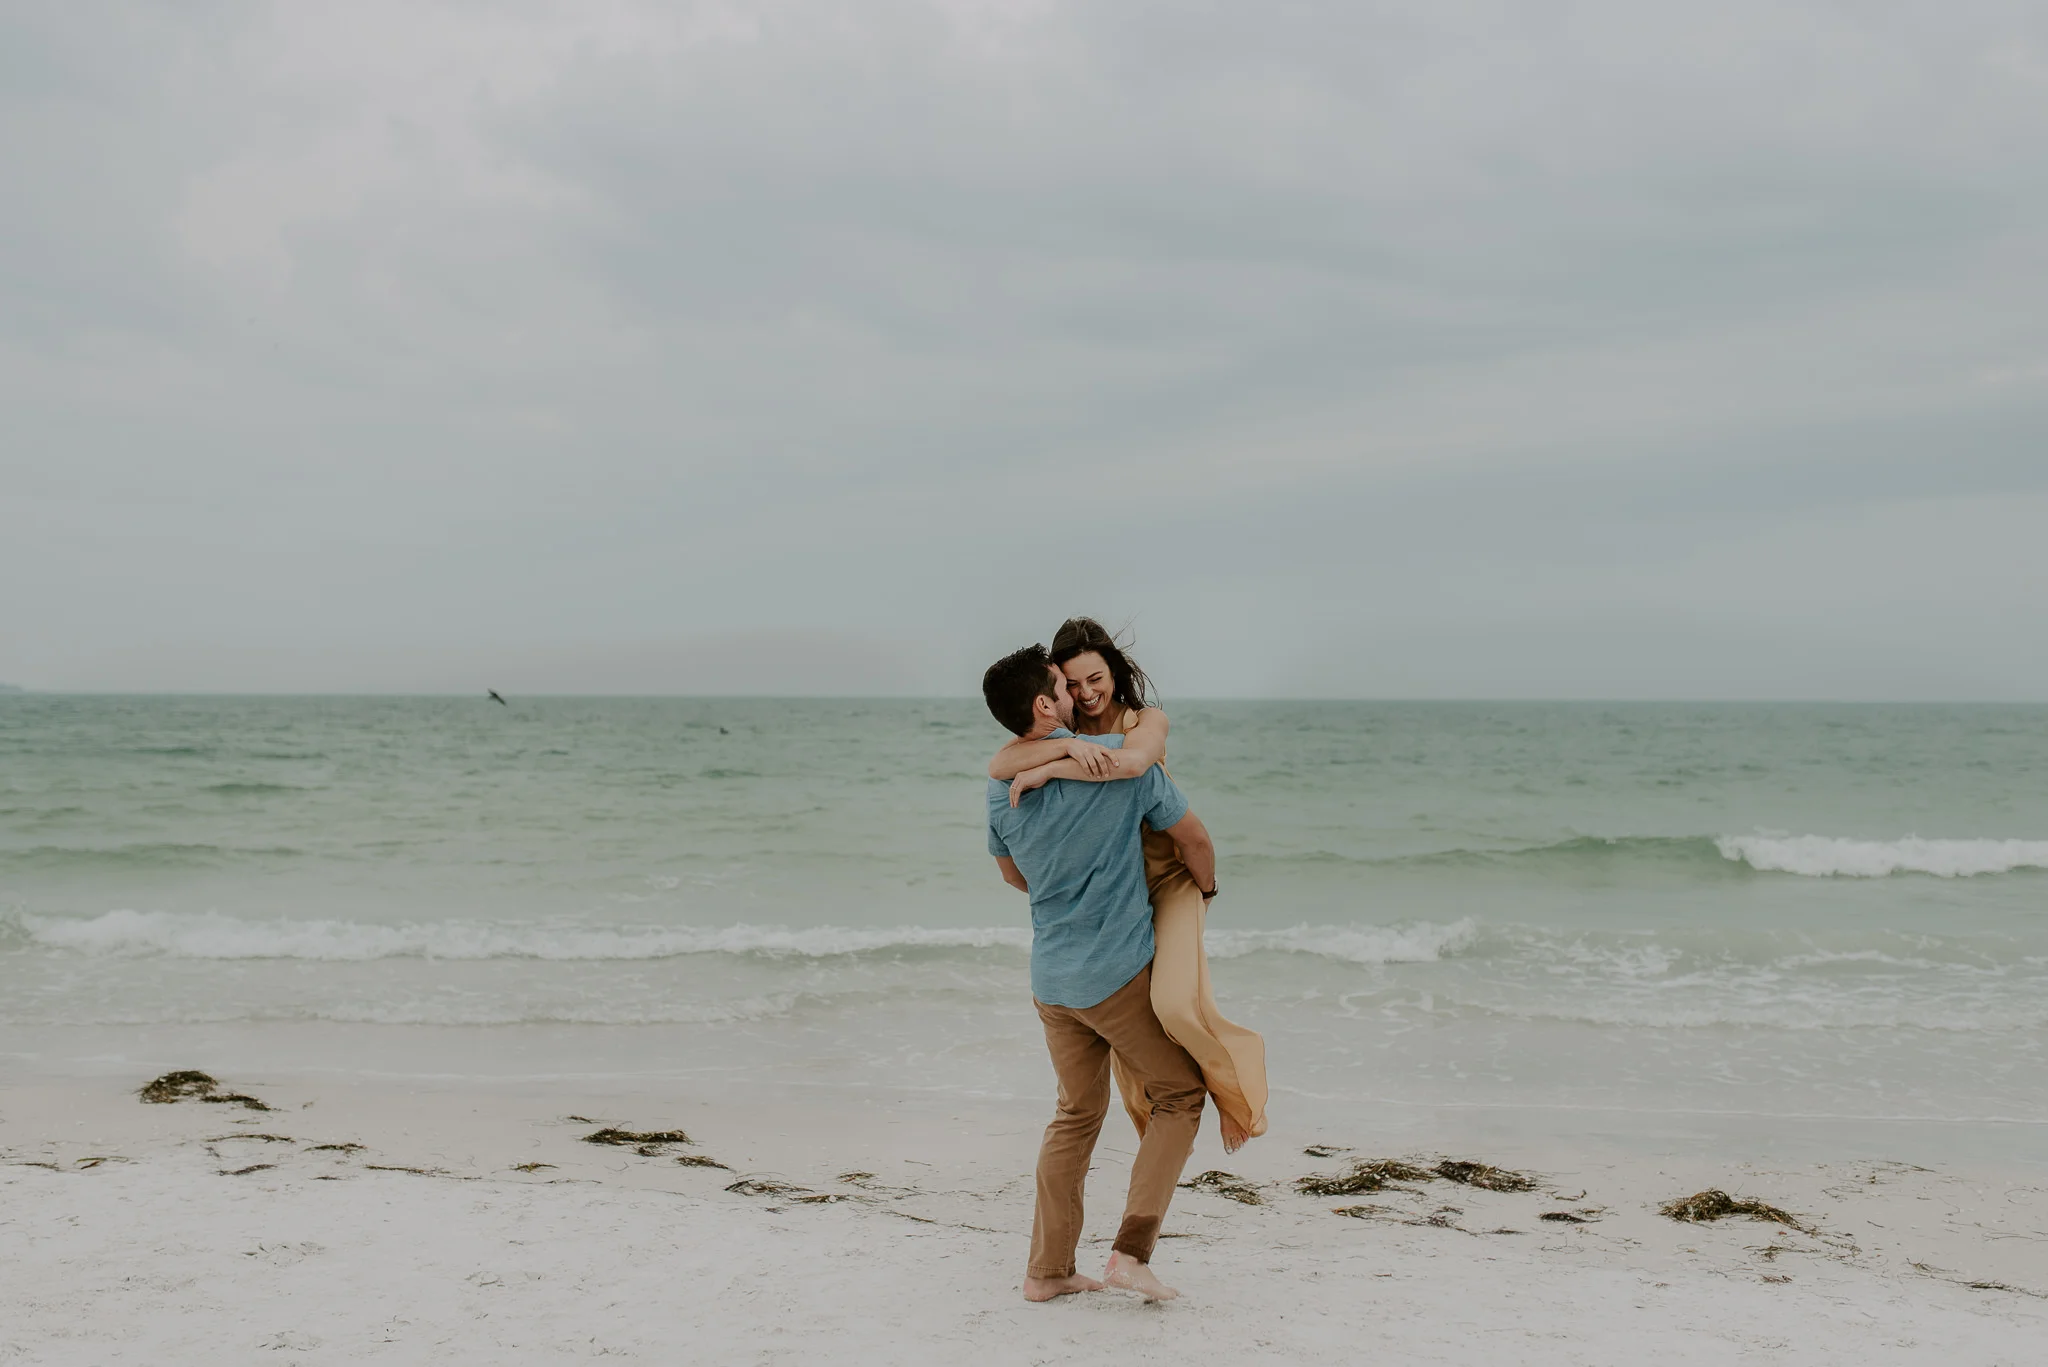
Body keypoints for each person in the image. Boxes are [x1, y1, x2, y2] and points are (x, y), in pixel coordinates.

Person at [983, 643, 1214, 1304]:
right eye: (1063, 686)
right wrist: (1203, 894)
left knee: (1076, 1114)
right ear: (1044, 703)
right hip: (1113, 977)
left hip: (1052, 980)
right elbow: (1194, 839)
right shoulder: (1119, 764)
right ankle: (1130, 1254)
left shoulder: (999, 788)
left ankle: (1047, 1271)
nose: (1076, 695)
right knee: (1180, 1095)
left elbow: (1013, 875)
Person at [991, 618, 1268, 1153]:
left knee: (1175, 1006)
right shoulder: (1065, 732)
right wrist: (1069, 750)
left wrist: (1054, 768)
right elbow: (999, 762)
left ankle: (1233, 1100)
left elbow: (1135, 762)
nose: (1086, 693)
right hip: (1119, 890)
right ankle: (1160, 1134)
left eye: (1096, 678)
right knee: (1126, 1035)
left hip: (1171, 880)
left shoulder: (1147, 720)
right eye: (1073, 684)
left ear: (1115, 672)